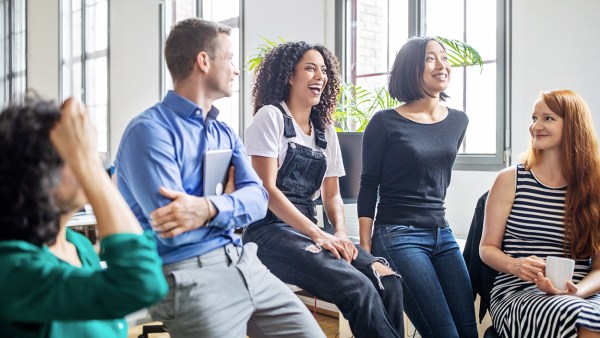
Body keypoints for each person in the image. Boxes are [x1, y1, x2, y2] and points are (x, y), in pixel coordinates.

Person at [115, 19, 323, 338]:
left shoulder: (223, 133)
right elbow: (174, 230)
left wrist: (209, 208)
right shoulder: (149, 132)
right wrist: (231, 204)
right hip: (190, 275)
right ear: (203, 61)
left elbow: (258, 199)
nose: (236, 70)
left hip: (243, 263)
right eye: (229, 59)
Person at [243, 41, 405, 338]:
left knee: (388, 280)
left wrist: (340, 233)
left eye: (324, 70)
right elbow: (266, 189)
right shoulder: (271, 117)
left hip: (307, 230)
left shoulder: (325, 131)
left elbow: (332, 194)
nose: (320, 76)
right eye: (310, 68)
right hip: (267, 233)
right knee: (357, 287)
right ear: (289, 76)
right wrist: (318, 234)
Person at [0, 95, 167, 337]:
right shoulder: (12, 269)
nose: (93, 159)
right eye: (74, 153)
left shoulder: (78, 245)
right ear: (39, 174)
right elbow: (142, 282)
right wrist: (88, 164)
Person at [358, 36, 478, 338]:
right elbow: (368, 184)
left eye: (445, 57)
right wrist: (366, 252)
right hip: (397, 235)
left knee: (468, 331)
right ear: (411, 68)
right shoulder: (384, 122)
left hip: (442, 233)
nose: (442, 65)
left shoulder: (459, 121)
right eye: (430, 58)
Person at [480, 89, 600, 338]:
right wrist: (515, 265)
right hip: (520, 292)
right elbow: (486, 247)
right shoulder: (511, 179)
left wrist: (575, 292)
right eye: (534, 118)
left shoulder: (594, 187)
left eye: (548, 118)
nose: (536, 126)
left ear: (574, 126)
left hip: (582, 291)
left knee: (590, 313)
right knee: (586, 318)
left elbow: (599, 268)